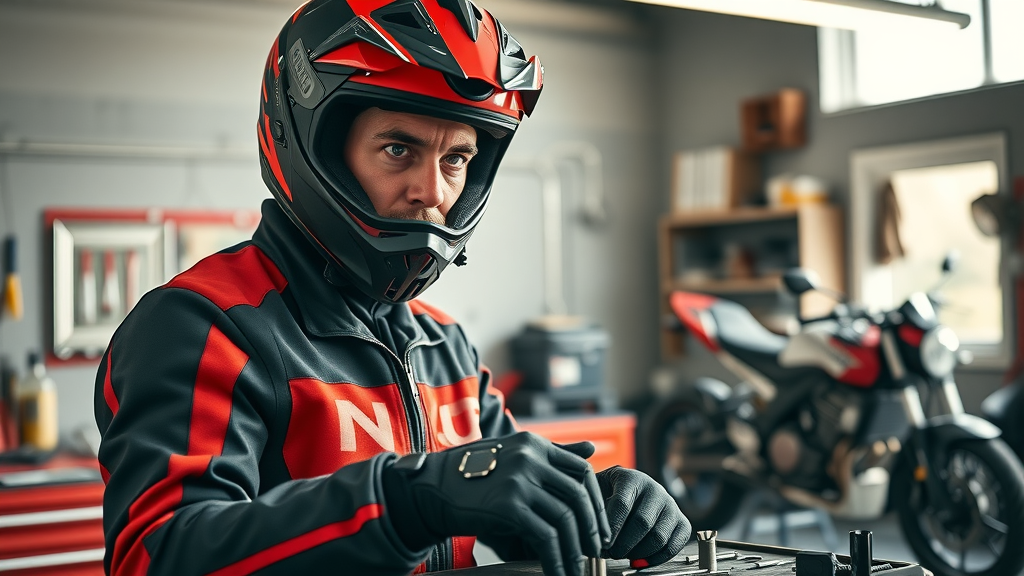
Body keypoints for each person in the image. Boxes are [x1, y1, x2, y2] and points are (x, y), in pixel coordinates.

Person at [94, 2, 690, 575]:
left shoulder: (442, 344)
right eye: (398, 149)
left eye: (456, 158)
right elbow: (159, 555)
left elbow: (507, 501)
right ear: (317, 152)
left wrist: (603, 506)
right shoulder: (202, 327)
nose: (431, 191)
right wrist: (402, 502)